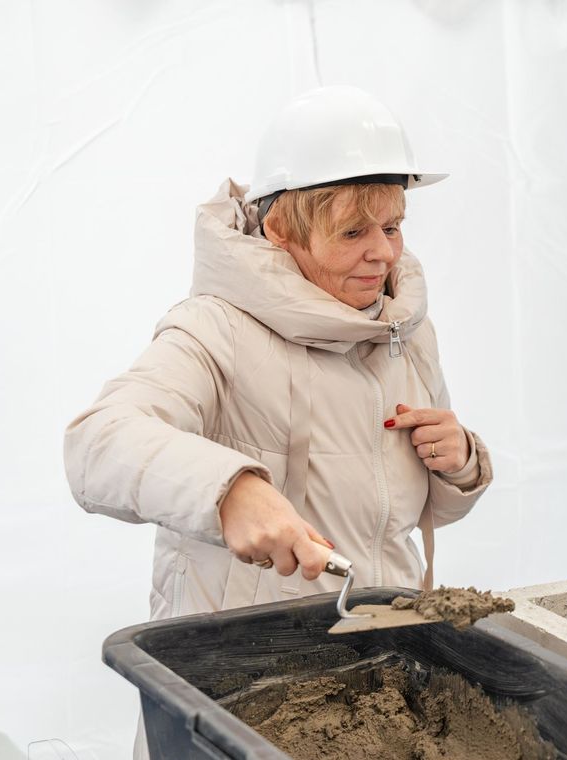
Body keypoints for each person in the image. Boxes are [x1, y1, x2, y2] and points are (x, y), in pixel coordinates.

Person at [65, 87, 492, 627]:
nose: (382, 253)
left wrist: (458, 461)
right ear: (281, 230)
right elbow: (96, 445)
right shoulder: (214, 327)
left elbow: (405, 513)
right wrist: (229, 492)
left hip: (387, 643)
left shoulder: (406, 329)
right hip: (247, 667)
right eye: (353, 231)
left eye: (391, 227)